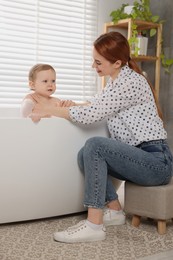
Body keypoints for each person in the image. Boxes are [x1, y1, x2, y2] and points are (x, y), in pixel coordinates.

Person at [29, 32, 173, 243]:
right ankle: (114, 210)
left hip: (155, 162)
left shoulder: (130, 82)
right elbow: (93, 104)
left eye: (97, 62)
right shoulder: (115, 82)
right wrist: (69, 105)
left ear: (116, 63)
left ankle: (94, 225)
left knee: (95, 145)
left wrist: (49, 109)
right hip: (140, 158)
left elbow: (90, 115)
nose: (93, 66)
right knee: (83, 155)